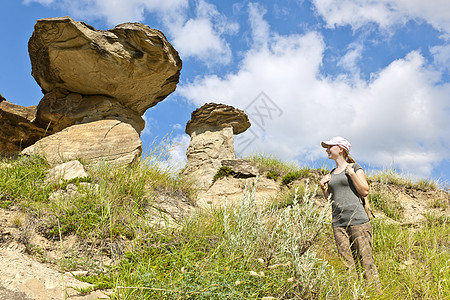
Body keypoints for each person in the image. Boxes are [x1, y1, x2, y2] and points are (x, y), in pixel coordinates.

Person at [319, 136, 380, 288]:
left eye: (329, 146)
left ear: (340, 149)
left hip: (358, 222)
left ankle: (374, 295)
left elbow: (365, 191)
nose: (327, 149)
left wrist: (351, 174)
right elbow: (330, 200)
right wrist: (323, 187)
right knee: (346, 266)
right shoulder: (331, 172)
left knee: (366, 263)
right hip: (338, 224)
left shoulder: (355, 168)